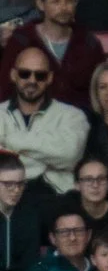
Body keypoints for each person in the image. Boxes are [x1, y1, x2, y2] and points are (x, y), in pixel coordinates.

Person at [0, 41, 90, 191]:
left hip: (56, 197)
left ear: (49, 78)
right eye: (24, 74)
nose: (32, 80)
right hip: (7, 198)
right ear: (13, 75)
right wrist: (49, 158)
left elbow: (70, 156)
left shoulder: (73, 116)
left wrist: (9, 140)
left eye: (40, 75)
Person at [3, 0, 104, 104]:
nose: (63, 8)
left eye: (69, 1)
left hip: (80, 119)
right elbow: (5, 90)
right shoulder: (21, 40)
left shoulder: (88, 42)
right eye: (56, 2)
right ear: (40, 4)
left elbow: (101, 91)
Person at [0, 148, 41, 271]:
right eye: (8, 184)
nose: (16, 190)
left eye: (20, 183)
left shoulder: (30, 214)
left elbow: (31, 265)